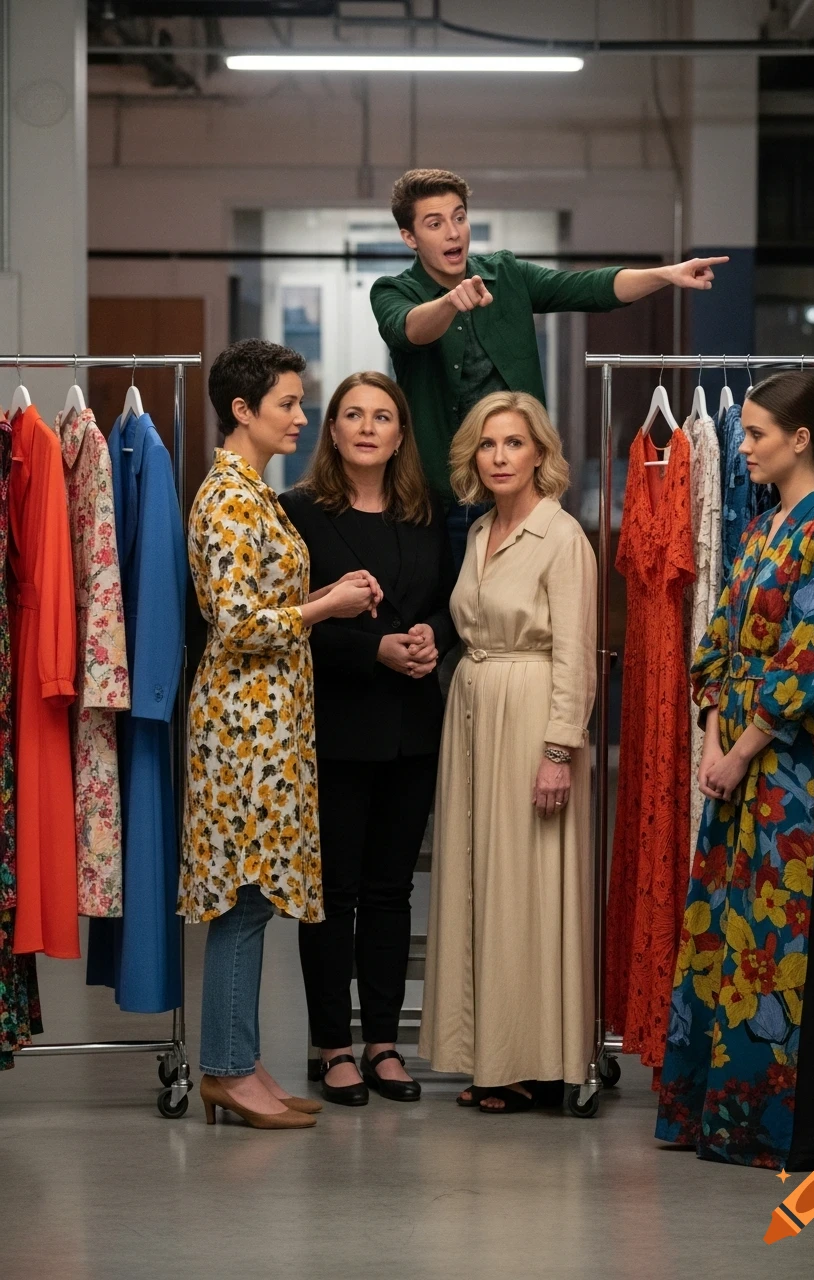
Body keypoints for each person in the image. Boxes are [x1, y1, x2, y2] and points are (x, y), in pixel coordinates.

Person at [655, 371, 814, 1170]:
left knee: (785, 935)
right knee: (727, 928)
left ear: (800, 439)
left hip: (786, 770)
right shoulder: (762, 529)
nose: (744, 446)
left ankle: (788, 1118)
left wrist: (743, 746)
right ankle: (725, 1110)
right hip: (739, 760)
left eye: (755, 434)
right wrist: (717, 740)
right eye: (744, 433)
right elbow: (717, 643)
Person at [177, 340, 382, 1130]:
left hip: (267, 719)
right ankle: (228, 1070)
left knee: (255, 896)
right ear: (242, 411)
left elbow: (260, 598)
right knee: (246, 897)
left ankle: (244, 1060)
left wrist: (323, 593)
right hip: (242, 725)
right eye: (289, 404)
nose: (303, 417)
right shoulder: (228, 497)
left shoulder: (251, 493)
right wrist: (322, 609)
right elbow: (233, 622)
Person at [370, 166, 727, 563]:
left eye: (459, 217)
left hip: (522, 493)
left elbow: (588, 288)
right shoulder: (393, 290)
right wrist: (451, 302)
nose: (453, 232)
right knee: (453, 616)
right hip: (440, 499)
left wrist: (666, 274)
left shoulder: (505, 274)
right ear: (410, 237)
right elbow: (408, 328)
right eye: (435, 224)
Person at [280, 372, 456, 1106]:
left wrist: (429, 639)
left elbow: (452, 608)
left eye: (382, 416)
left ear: (400, 433)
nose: (366, 427)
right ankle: (333, 1047)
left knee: (390, 893)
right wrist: (372, 649)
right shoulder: (297, 511)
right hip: (336, 725)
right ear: (332, 428)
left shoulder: (430, 514)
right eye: (352, 414)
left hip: (413, 726)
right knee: (332, 894)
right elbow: (286, 624)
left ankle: (384, 1043)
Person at [419, 390, 597, 1113]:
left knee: (528, 889)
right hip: (472, 711)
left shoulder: (562, 537)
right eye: (488, 444)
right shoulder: (479, 531)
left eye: (513, 443)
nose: (498, 456)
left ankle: (536, 1059)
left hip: (530, 720)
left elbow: (576, 655)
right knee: (475, 882)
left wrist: (558, 749)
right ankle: (489, 1054)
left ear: (540, 454)